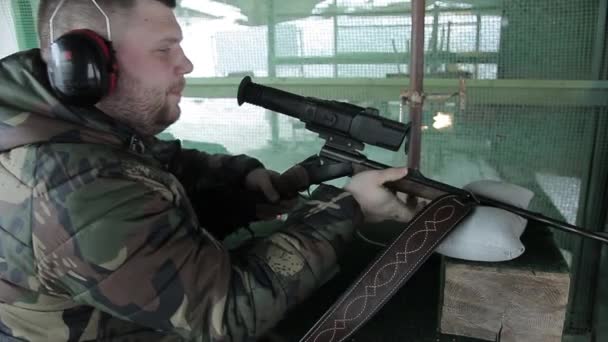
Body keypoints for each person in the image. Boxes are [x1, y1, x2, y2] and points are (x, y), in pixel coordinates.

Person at [0, 0, 416, 341]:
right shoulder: (73, 187)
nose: (187, 65)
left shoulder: (65, 122)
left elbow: (155, 164)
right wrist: (348, 207)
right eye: (164, 50)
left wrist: (244, 179)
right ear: (87, 66)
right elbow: (228, 314)